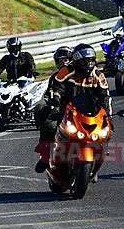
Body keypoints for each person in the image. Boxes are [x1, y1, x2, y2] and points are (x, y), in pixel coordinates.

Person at [35, 44, 112, 174]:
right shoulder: (66, 71)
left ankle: (95, 164)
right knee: (49, 124)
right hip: (66, 109)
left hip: (90, 112)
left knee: (105, 133)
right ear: (76, 61)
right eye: (84, 61)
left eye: (90, 60)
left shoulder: (98, 75)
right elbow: (57, 87)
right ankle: (45, 156)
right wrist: (56, 99)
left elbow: (105, 96)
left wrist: (108, 116)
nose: (87, 64)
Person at [33, 46, 72, 170]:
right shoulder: (55, 78)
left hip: (80, 110)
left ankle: (94, 158)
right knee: (49, 124)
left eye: (66, 60)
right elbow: (49, 93)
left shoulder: (81, 74)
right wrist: (52, 100)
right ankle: (45, 156)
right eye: (60, 61)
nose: (63, 64)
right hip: (61, 110)